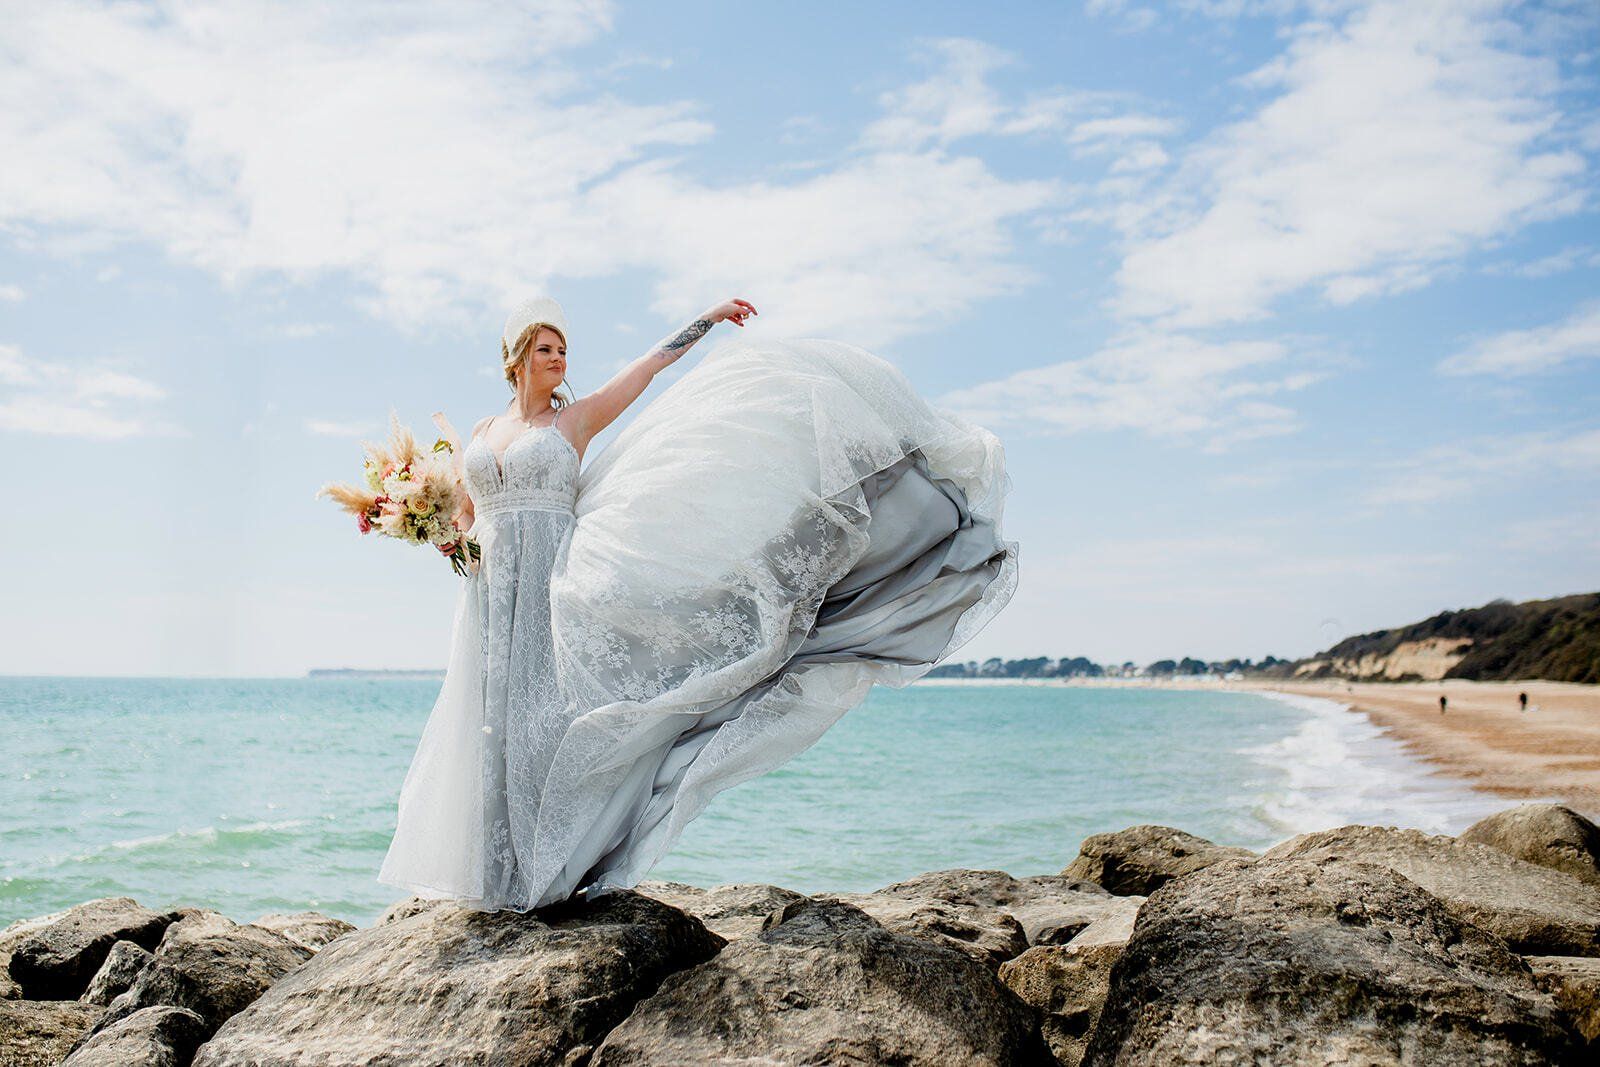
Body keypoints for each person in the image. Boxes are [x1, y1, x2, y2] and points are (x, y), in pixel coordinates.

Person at [376, 295, 1019, 912]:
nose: (560, 360)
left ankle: (545, 868)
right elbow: (463, 512)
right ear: (517, 358)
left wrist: (705, 321)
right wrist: (428, 524)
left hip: (550, 583)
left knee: (546, 716)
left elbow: (648, 369)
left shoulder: (570, 422)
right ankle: (492, 872)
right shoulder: (484, 431)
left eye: (565, 350)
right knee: (490, 720)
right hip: (490, 591)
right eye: (547, 349)